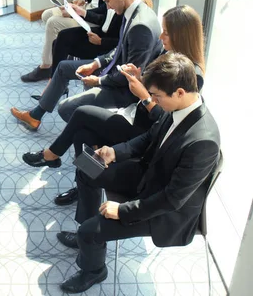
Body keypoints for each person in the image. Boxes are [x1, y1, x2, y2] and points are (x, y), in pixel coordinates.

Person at [55, 53, 220, 293]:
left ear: (180, 92)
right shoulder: (180, 107)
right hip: (148, 176)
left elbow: (172, 199)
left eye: (156, 96)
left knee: (90, 233)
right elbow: (148, 138)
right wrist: (115, 152)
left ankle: (94, 269)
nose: (151, 100)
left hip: (163, 210)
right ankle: (85, 230)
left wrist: (122, 210)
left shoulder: (203, 141)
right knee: (86, 166)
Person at [22, 5, 206, 206]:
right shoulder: (168, 54)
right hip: (135, 116)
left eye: (167, 33)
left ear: (182, 35)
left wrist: (144, 96)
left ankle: (54, 156)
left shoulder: (192, 76)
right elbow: (157, 88)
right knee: (81, 135)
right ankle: (84, 186)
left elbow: (167, 122)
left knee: (82, 114)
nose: (161, 37)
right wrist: (140, 77)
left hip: (145, 130)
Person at [10, 0, 162, 131]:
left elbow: (129, 77)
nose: (108, 7)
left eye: (108, 1)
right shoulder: (133, 12)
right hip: (113, 69)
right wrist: (96, 64)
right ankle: (35, 116)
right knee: (63, 67)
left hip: (123, 90)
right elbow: (120, 48)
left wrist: (98, 81)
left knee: (66, 108)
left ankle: (92, 141)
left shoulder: (140, 26)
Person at [44, 0, 154, 79]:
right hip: (103, 33)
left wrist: (101, 41)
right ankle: (54, 82)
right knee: (61, 39)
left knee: (61, 45)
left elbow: (123, 41)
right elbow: (106, 19)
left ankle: (54, 82)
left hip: (107, 44)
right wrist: (82, 13)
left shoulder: (129, 2)